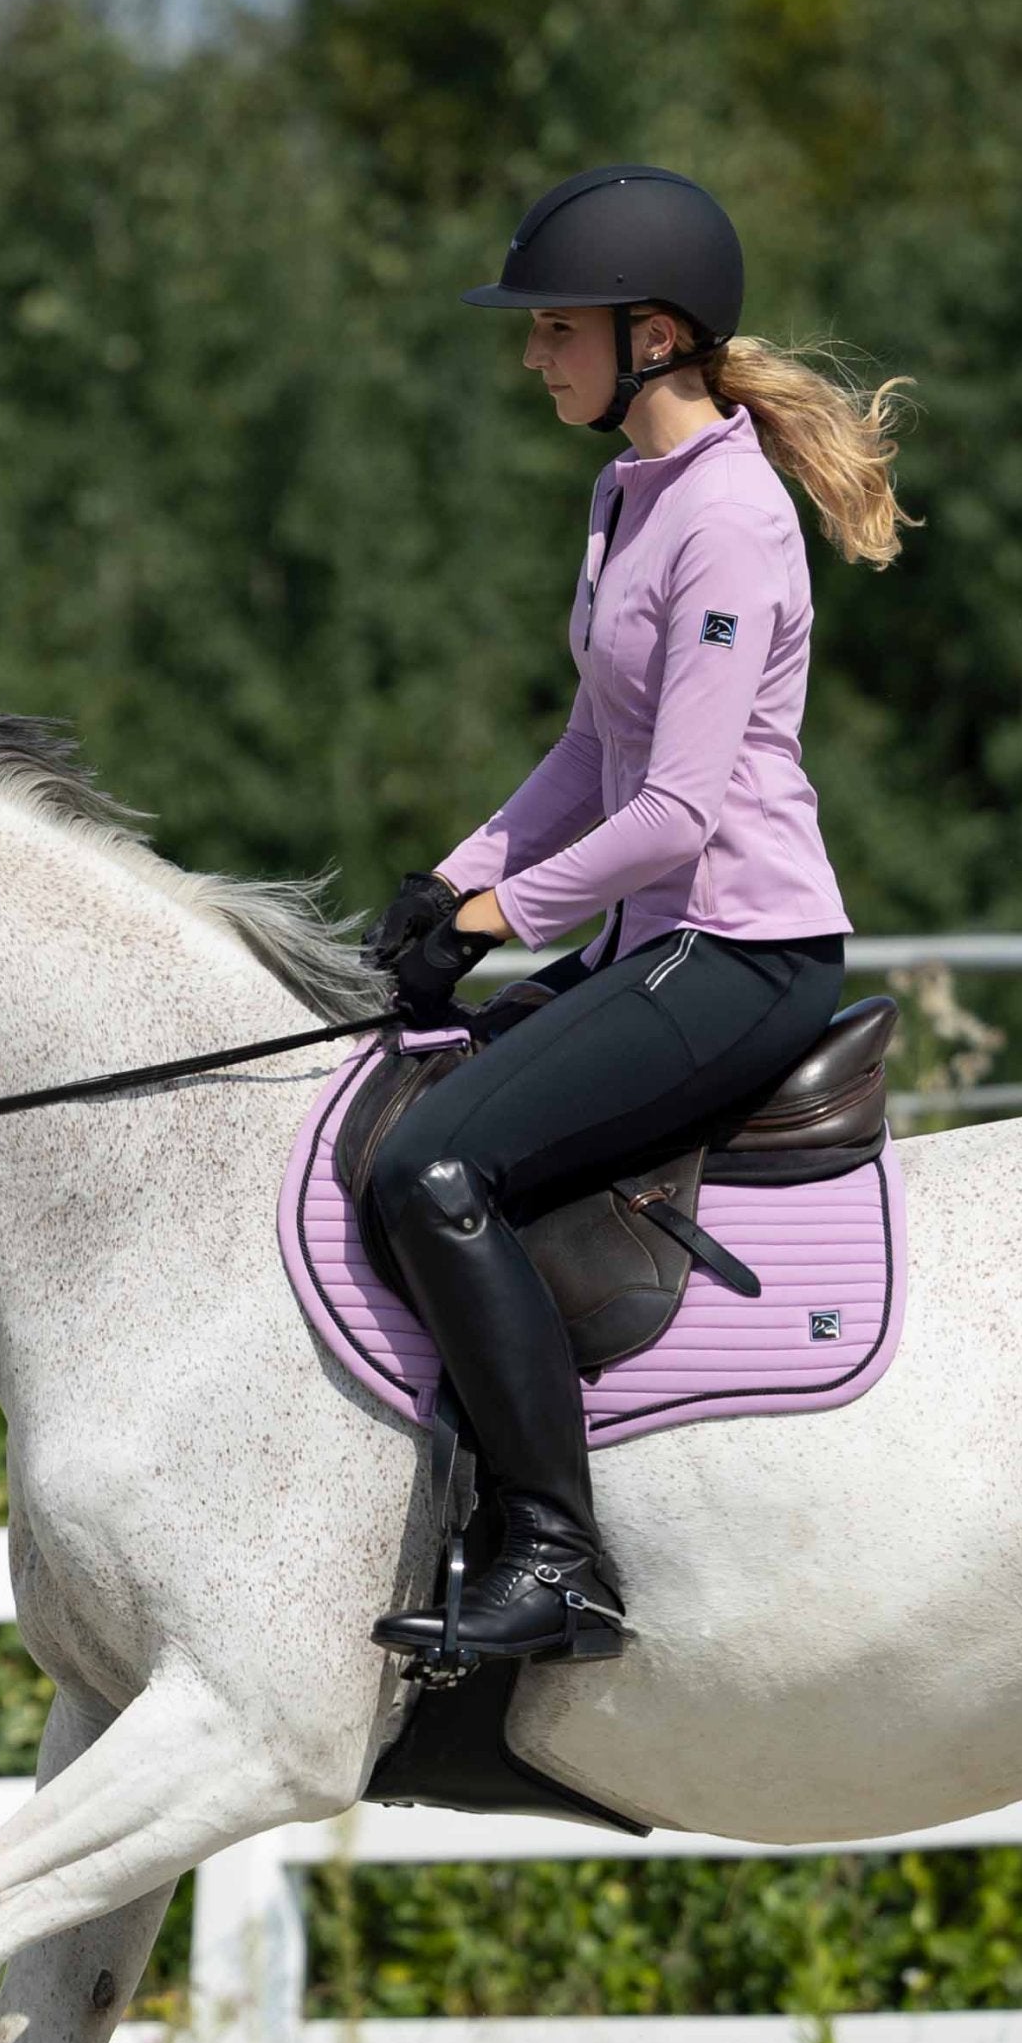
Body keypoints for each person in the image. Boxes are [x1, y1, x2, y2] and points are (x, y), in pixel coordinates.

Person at [361, 164, 911, 1666]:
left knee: (438, 1163)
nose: (534, 353)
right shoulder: (626, 495)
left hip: (743, 951)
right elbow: (590, 748)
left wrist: (498, 914)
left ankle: (556, 1554)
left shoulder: (729, 522)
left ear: (652, 336)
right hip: (649, 944)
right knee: (412, 1089)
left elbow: (676, 812)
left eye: (555, 329)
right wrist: (452, 872)